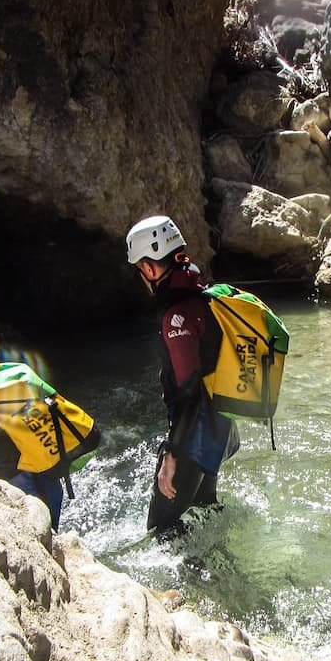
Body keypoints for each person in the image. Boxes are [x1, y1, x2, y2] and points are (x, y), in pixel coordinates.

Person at [126, 214, 236, 538]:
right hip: (219, 428)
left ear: (149, 268)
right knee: (205, 514)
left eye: (140, 269)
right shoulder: (203, 296)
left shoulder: (177, 316)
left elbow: (188, 392)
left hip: (195, 437)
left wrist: (171, 456)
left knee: (161, 531)